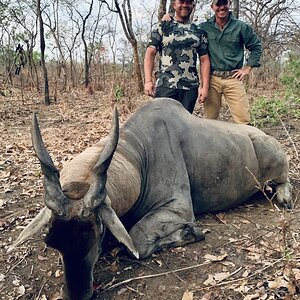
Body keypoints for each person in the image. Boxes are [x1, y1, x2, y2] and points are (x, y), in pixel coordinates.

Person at [200, 0, 263, 124]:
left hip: (233, 78)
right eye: (218, 4)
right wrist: (169, 18)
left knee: (243, 119)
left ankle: (246, 142)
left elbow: (256, 47)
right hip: (212, 78)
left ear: (229, 4)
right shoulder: (204, 27)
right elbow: (187, 33)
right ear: (212, 7)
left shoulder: (241, 26)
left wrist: (248, 68)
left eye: (224, 3)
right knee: (210, 120)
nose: (221, 7)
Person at [144, 0, 210, 114]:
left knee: (183, 127)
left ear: (193, 6)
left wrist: (205, 87)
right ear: (174, 4)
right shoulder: (163, 26)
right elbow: (150, 53)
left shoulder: (199, 32)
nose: (185, 5)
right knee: (161, 124)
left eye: (188, 2)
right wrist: (148, 81)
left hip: (190, 88)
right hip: (166, 85)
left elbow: (204, 60)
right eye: (181, 2)